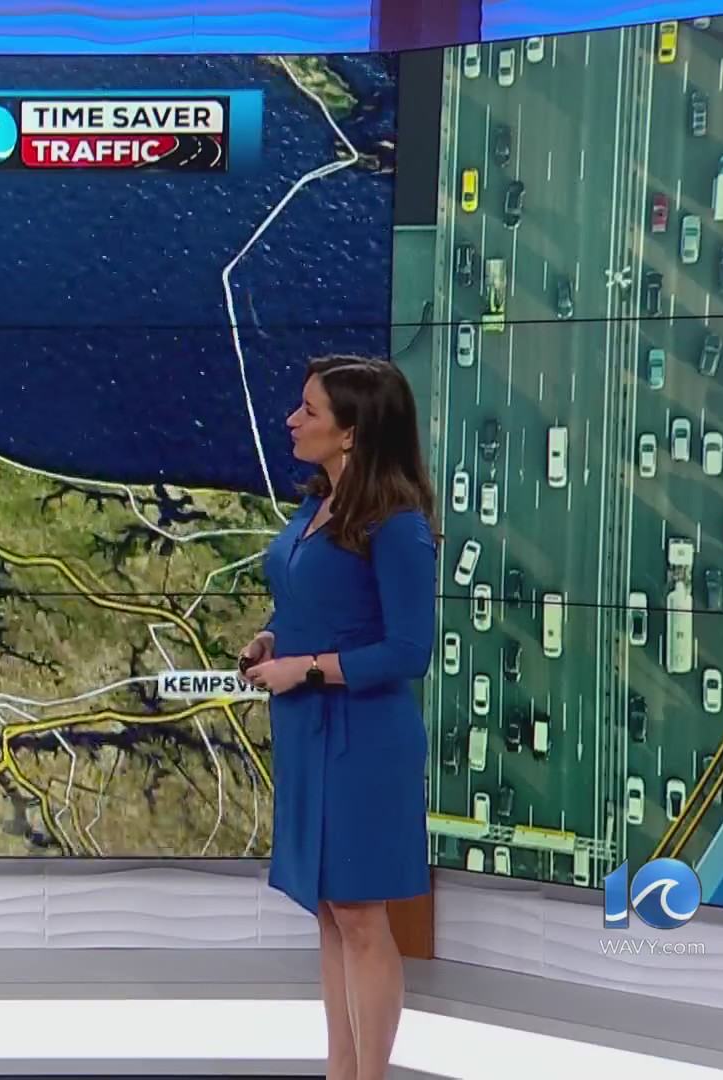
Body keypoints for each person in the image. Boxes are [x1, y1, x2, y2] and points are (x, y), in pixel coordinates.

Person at [237, 356, 436, 1080]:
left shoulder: (398, 526)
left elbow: (409, 650)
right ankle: (341, 1069)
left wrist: (308, 667)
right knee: (329, 909)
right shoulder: (317, 505)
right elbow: (314, 599)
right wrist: (273, 639)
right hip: (309, 730)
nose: (293, 421)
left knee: (360, 915)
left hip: (363, 740)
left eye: (310, 411)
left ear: (351, 433)